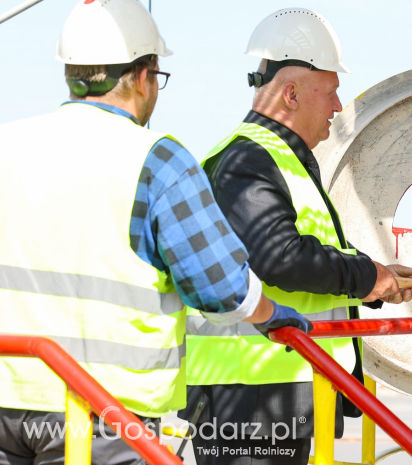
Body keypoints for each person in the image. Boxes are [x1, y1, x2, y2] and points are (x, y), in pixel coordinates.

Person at [0, 1, 310, 464]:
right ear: (145, 77)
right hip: (102, 411)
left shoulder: (9, 145)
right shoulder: (156, 158)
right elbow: (221, 287)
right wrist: (270, 314)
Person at [179, 8, 412, 464]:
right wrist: (365, 275)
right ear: (291, 94)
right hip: (249, 396)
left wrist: (377, 279)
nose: (337, 106)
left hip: (271, 388)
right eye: (331, 92)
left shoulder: (276, 158)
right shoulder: (246, 160)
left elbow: (302, 252)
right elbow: (280, 258)